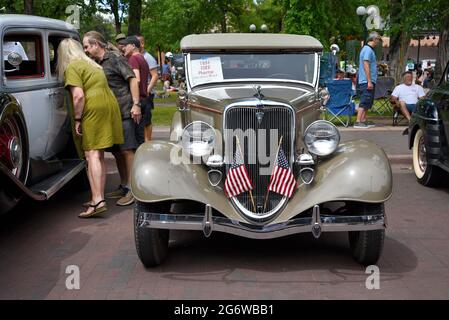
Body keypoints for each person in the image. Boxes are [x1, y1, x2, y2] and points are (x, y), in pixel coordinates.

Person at [57, 38, 124, 218]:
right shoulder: (92, 64)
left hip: (92, 107)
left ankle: (98, 200)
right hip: (107, 104)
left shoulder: (72, 67)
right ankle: (97, 197)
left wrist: (77, 118)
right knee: (99, 155)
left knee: (91, 154)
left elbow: (78, 96)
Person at [83, 31, 142, 206]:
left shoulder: (115, 58)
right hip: (110, 114)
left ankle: (133, 190)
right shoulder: (95, 63)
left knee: (127, 151)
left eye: (87, 46)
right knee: (117, 151)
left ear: (96, 44)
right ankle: (124, 185)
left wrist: (136, 104)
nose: (85, 50)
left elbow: (132, 79)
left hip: (124, 110)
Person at [122, 36, 151, 145]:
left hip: (138, 102)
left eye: (125, 46)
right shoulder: (142, 58)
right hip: (144, 100)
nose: (123, 48)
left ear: (133, 46)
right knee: (140, 136)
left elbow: (136, 80)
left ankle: (138, 160)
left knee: (136, 138)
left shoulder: (133, 58)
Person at [354, 31, 382, 129]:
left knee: (368, 100)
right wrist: (369, 81)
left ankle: (363, 120)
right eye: (378, 39)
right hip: (366, 80)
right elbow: (366, 65)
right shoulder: (367, 50)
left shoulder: (369, 50)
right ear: (373, 39)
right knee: (365, 100)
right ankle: (358, 121)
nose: (379, 41)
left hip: (369, 80)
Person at [136, 35, 158, 141]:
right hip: (139, 93)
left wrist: (147, 89)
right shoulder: (135, 57)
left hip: (147, 94)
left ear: (142, 44)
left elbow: (155, 75)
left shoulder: (148, 57)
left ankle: (147, 141)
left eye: (137, 42)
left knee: (146, 120)